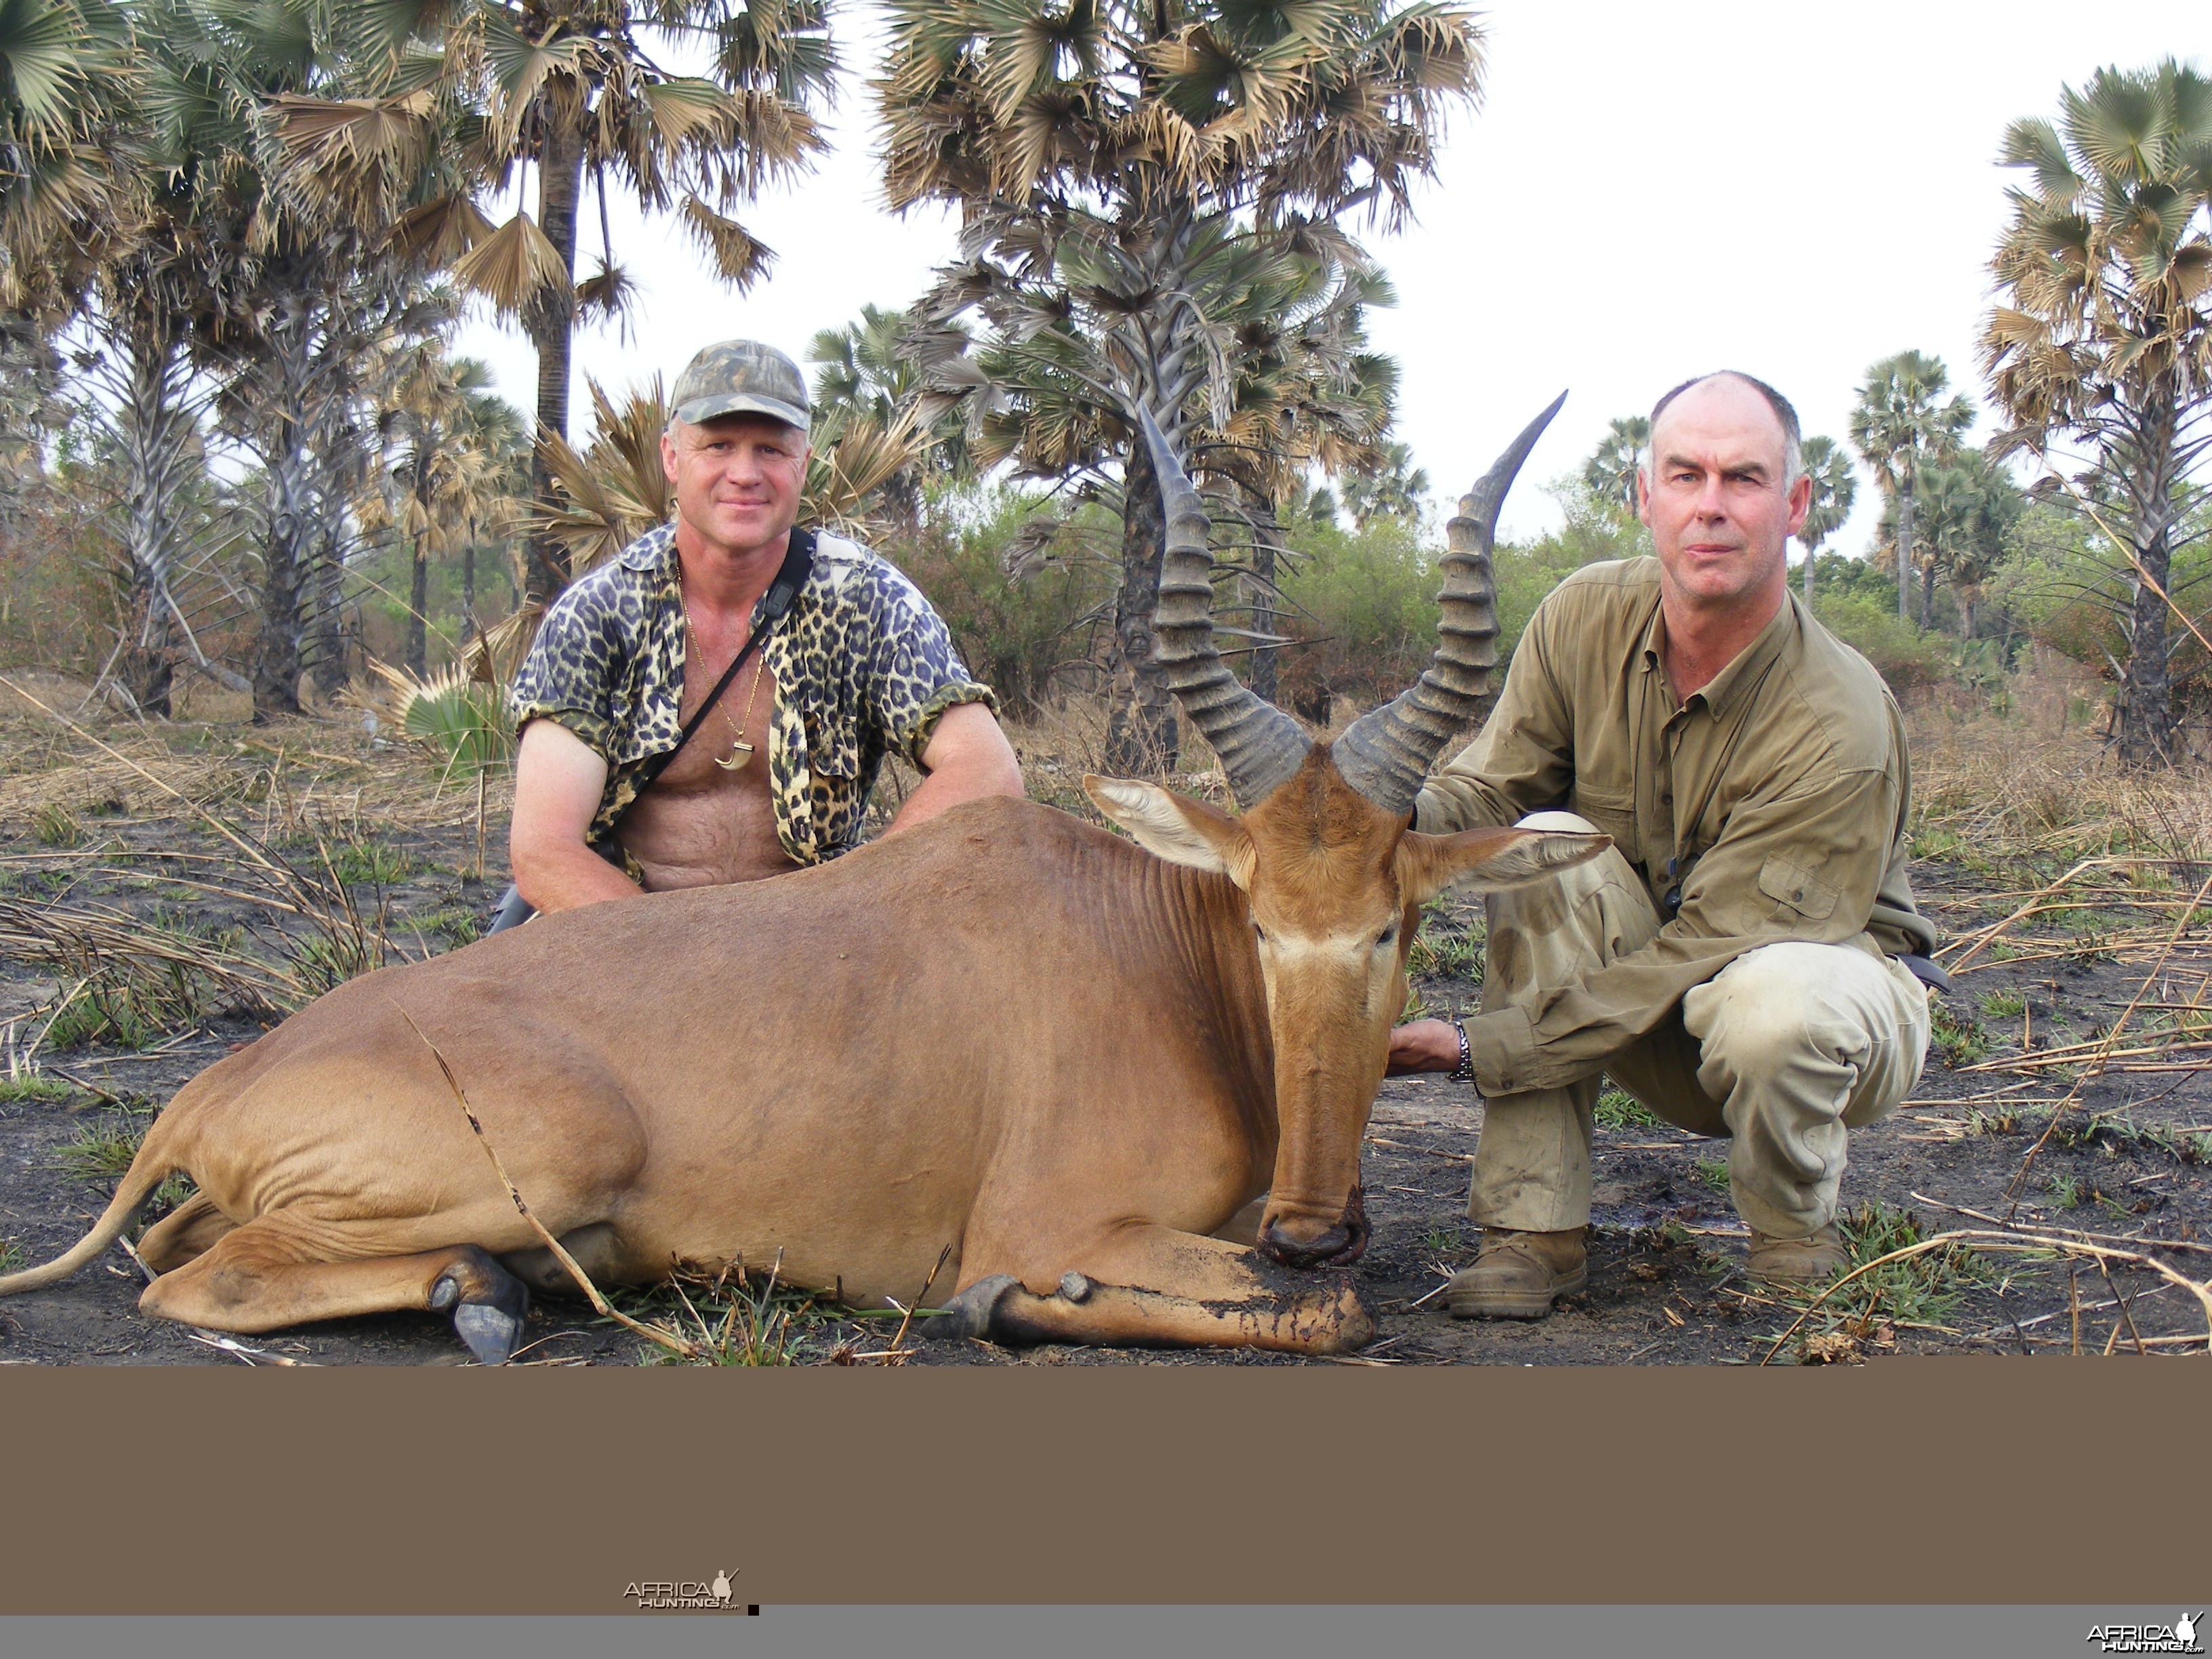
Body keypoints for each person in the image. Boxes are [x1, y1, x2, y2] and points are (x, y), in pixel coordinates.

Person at [1387, 370, 1942, 1318]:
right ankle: (1532, 1237)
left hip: (1805, 1012)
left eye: (1745, 479)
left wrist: (1475, 1047)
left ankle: (1793, 1242)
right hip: (1652, 1005)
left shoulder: (1840, 718)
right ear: (1644, 495)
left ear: (1797, 504)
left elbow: (1715, 943)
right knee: (1546, 842)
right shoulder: (1582, 615)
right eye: (1686, 476)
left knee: (1779, 1004)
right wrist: (1378, 822)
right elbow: (1491, 787)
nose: (1712, 508)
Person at [506, 339, 1023, 912]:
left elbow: (989, 769)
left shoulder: (868, 600)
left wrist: (854, 913)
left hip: (820, 939)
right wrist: (681, 973)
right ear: (672, 458)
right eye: (719, 445)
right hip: (630, 940)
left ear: (803, 463)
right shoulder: (597, 614)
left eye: (772, 450)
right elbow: (545, 851)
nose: (745, 473)